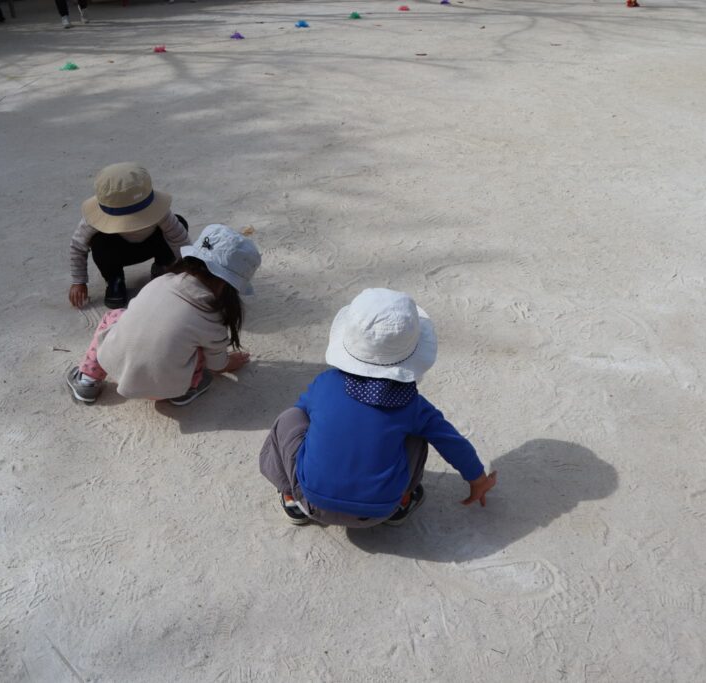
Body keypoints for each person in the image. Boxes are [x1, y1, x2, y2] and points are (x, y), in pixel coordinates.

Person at [259, 288, 497, 526]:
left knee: (292, 417)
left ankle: (291, 497)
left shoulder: (324, 383)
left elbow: (303, 416)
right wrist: (477, 479)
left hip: (311, 501)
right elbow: (451, 442)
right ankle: (404, 500)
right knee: (419, 434)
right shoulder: (413, 405)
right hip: (382, 510)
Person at [65, 224, 261, 406]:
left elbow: (137, 317)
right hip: (165, 389)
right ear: (229, 285)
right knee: (196, 346)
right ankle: (186, 391)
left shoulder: (162, 281)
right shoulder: (212, 319)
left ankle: (87, 380)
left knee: (116, 316)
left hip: (112, 364)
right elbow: (217, 365)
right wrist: (228, 363)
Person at [69, 163, 190, 310]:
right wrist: (79, 281)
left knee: (179, 224)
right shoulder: (93, 220)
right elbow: (78, 246)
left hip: (152, 246)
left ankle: (163, 264)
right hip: (118, 253)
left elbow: (179, 238)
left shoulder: (160, 212)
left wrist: (189, 268)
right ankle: (115, 279)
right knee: (99, 242)